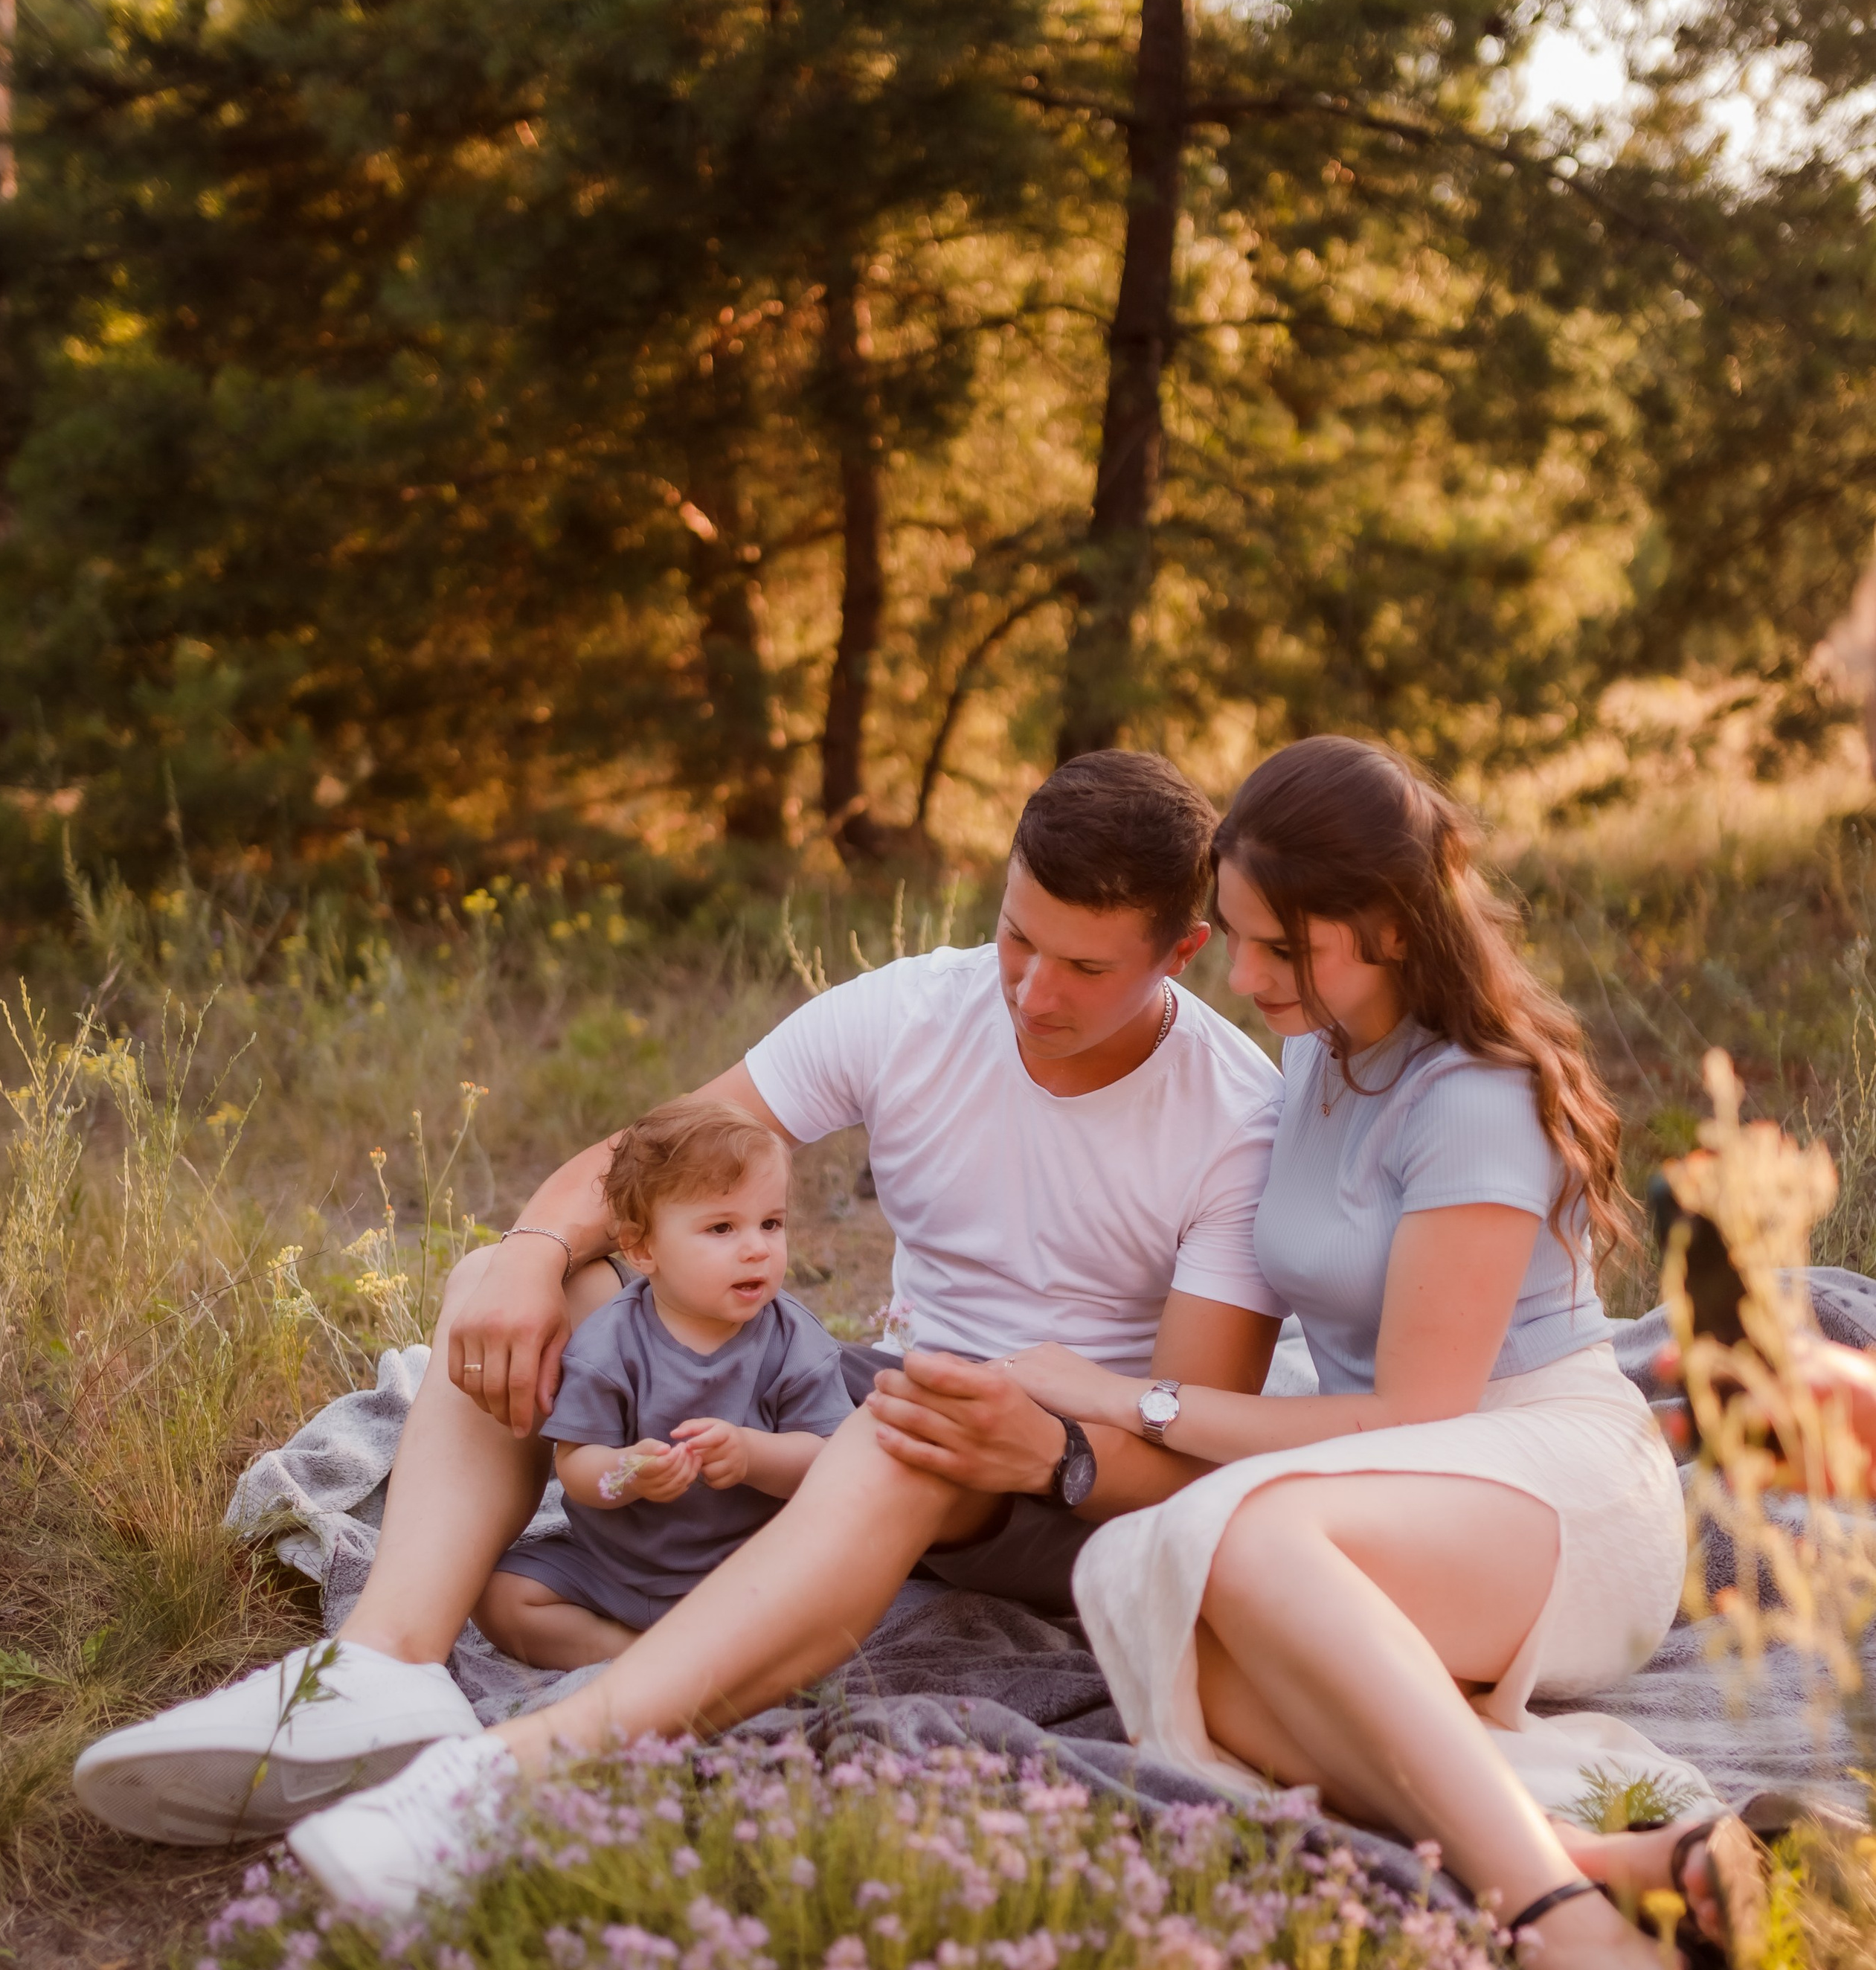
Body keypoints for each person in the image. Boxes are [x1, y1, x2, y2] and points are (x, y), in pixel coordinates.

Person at [73, 751, 1285, 1852]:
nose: (1030, 991)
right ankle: (378, 1669)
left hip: (1063, 1477)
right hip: (890, 1394)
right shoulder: (921, 1007)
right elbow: (646, 1164)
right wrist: (529, 1248)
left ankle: (515, 1779)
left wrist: (1041, 1444)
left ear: (1180, 954)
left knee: (910, 1422)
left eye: (1085, 967)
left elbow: (1182, 1450)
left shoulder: (1234, 1119)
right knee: (547, 1284)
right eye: (1020, 937)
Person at [1006, 736, 1754, 1970]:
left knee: (1230, 1547)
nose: (1244, 980)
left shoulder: (1475, 1099)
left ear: (1390, 925)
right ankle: (1593, 1860)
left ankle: (1561, 1932)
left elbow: (1414, 1410)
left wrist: (1132, 1402)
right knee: (1147, 1596)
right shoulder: (1320, 1051)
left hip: (1548, 1473)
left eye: (1279, 951)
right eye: (1234, 940)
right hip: (1400, 1477)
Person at [469, 1096, 853, 1675]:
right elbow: (576, 1467)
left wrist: (752, 1453)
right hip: (616, 1569)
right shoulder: (609, 1344)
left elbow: (833, 1462)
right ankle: (633, 1655)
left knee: (843, 1598)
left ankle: (710, 1654)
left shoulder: (794, 1341)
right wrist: (630, 1473)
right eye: (722, 1227)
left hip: (745, 1572)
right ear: (643, 1248)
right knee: (499, 1598)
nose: (757, 1247)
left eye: (771, 1223)